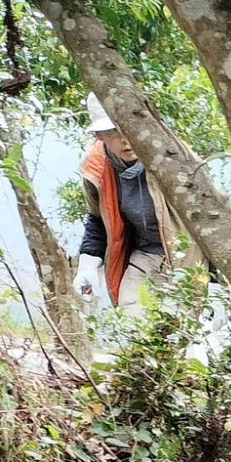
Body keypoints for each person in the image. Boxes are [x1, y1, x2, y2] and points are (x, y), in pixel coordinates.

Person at [76, 94, 176, 310]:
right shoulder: (98, 171)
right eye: (113, 131)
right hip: (146, 254)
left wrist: (215, 280)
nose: (124, 138)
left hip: (185, 254)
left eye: (127, 127)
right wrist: (87, 264)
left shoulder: (172, 155)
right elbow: (98, 220)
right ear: (100, 136)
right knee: (134, 319)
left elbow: (209, 218)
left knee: (189, 326)